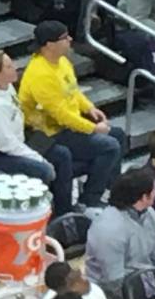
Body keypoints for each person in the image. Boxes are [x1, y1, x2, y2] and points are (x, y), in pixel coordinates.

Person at [17, 22, 126, 207]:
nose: (70, 39)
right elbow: (61, 115)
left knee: (118, 135)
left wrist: (89, 108)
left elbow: (73, 91)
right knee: (110, 145)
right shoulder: (41, 74)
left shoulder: (62, 62)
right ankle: (91, 198)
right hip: (49, 133)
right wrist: (93, 128)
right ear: (49, 45)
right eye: (64, 37)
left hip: (68, 126)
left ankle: (113, 191)